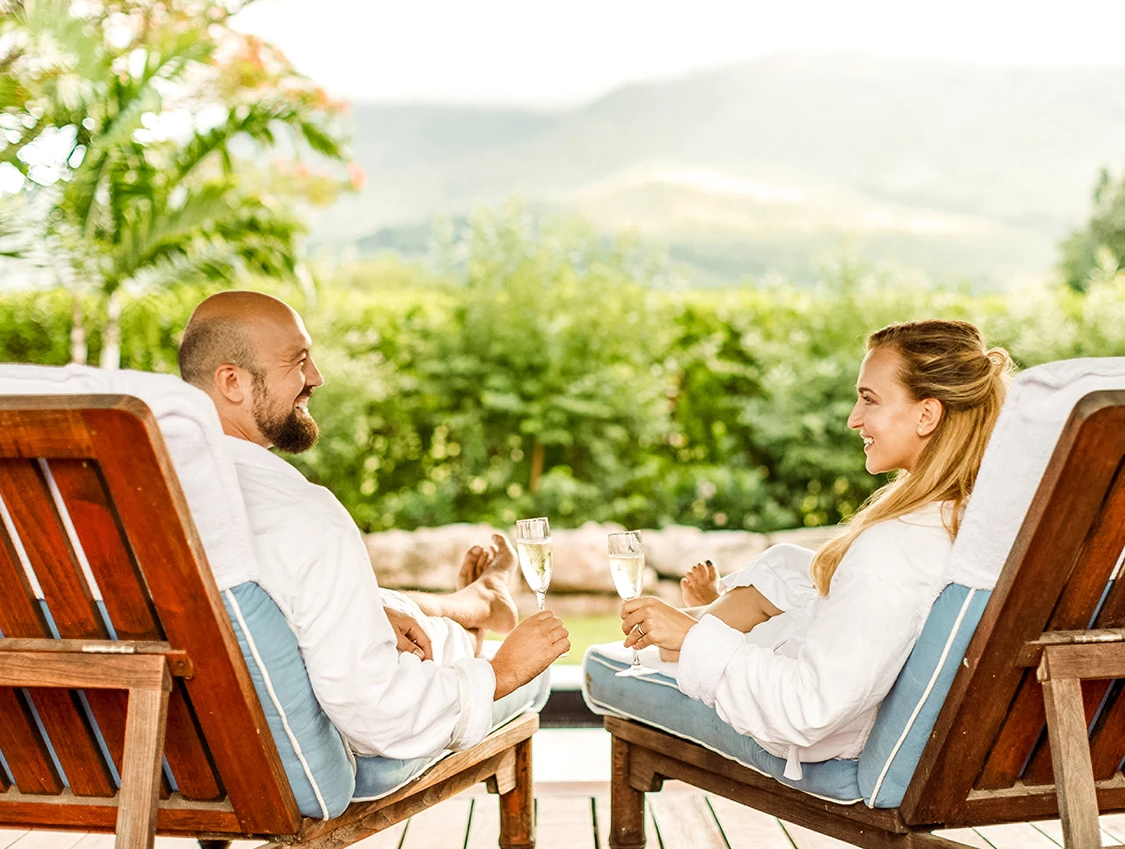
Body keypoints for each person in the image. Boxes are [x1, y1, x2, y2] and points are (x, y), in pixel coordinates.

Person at [178, 290, 569, 762]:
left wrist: (372, 613)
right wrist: (503, 672)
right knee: (515, 669)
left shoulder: (150, 491)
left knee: (374, 606)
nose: (316, 378)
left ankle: (472, 607)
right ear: (232, 382)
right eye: (298, 361)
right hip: (272, 765)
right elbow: (380, 714)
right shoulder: (303, 515)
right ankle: (473, 621)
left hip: (171, 751)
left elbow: (247, 615)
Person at [616, 319, 1012, 776]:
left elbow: (807, 711)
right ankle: (710, 618)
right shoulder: (969, 518)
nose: (853, 419)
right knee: (788, 564)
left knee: (707, 629)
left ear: (927, 415)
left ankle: (693, 629)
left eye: (869, 399)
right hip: (861, 670)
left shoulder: (892, 549)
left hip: (820, 729)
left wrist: (692, 639)